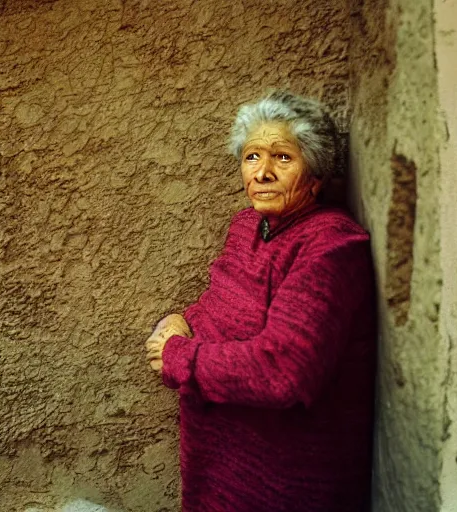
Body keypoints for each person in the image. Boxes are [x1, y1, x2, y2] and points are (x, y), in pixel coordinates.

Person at [145, 90, 376, 512]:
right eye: (252, 156)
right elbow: (217, 308)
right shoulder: (248, 225)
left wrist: (179, 356)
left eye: (283, 158)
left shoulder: (331, 246)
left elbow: (283, 370)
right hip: (216, 471)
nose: (262, 172)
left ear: (317, 175)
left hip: (285, 484)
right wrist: (179, 320)